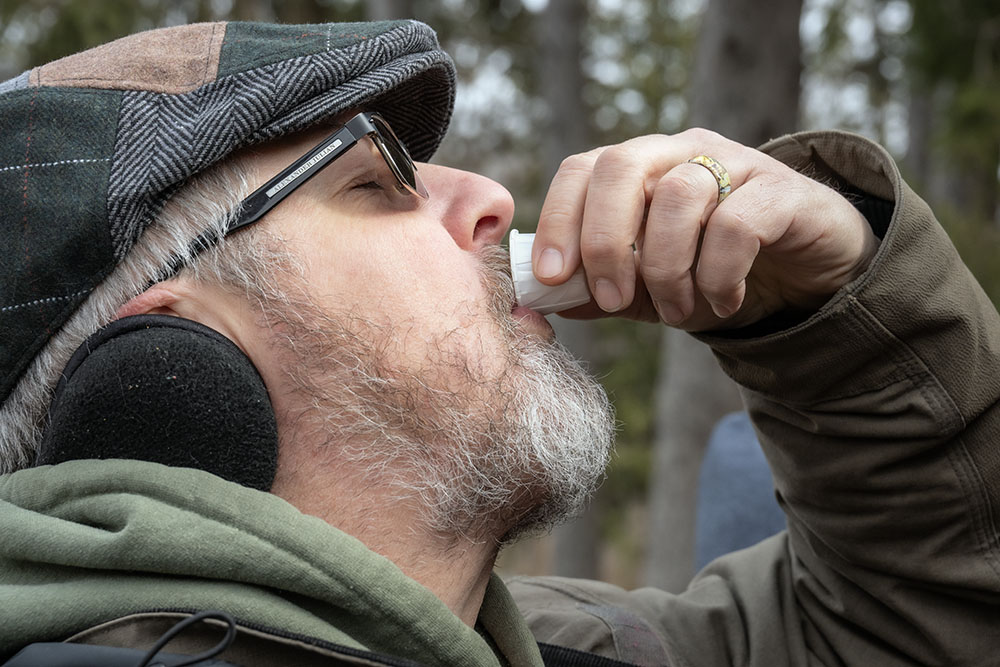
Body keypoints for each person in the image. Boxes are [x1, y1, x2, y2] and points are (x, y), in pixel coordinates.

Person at [0, 18, 996, 667]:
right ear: (174, 361)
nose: (492, 199)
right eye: (378, 180)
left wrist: (842, 318)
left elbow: (912, 628)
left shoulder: (571, 644)